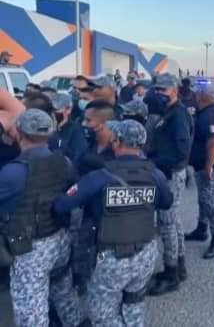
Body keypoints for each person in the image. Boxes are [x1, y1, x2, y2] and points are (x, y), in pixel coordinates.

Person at [53, 119, 173, 326]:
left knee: (103, 315)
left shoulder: (99, 177)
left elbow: (62, 204)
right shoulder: (155, 175)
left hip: (111, 258)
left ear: (116, 142)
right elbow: (166, 203)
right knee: (134, 304)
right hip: (145, 254)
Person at [0, 109, 85, 326]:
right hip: (60, 239)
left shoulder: (13, 172)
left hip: (30, 249)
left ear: (18, 133)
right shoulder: (64, 162)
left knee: (31, 309)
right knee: (64, 295)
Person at [146, 73, 193, 295]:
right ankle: (180, 265)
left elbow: (181, 151)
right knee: (174, 222)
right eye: (157, 90)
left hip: (171, 174)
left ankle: (171, 272)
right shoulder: (169, 112)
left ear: (174, 91)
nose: (159, 94)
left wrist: (153, 161)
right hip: (166, 172)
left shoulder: (178, 115)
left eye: (163, 90)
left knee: (167, 224)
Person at [186, 89, 214, 259]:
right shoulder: (212, 112)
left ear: (202, 99)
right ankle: (201, 229)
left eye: (196, 97)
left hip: (208, 167)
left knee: (210, 203)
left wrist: (209, 166)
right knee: (203, 199)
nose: (194, 99)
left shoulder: (210, 116)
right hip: (202, 166)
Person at [78, 100, 116, 175]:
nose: (83, 124)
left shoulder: (118, 149)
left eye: (88, 120)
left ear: (105, 123)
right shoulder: (86, 144)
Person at [48, 93, 88, 164]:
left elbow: (75, 156)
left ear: (68, 109)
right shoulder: (46, 126)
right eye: (51, 109)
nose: (53, 113)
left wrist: (55, 136)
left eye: (56, 110)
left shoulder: (76, 130)